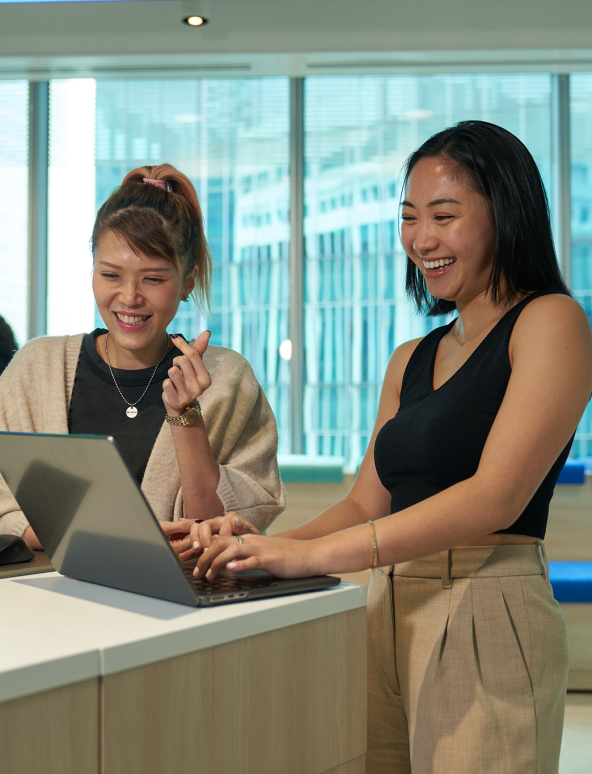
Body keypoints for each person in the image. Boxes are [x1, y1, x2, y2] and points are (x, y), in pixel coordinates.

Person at [189, 122, 592, 773]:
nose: (420, 239)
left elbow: (495, 496)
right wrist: (267, 550)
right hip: (386, 605)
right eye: (409, 217)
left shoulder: (552, 322)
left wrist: (311, 556)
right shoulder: (412, 357)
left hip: (487, 606)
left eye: (443, 215)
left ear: (504, 214)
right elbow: (364, 504)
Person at [0, 164, 285, 550]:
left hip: (179, 603)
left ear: (187, 281)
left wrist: (185, 415)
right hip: (51, 599)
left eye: (153, 279)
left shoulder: (226, 379)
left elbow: (223, 529)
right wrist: (95, 541)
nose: (130, 297)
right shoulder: (36, 368)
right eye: (111, 275)